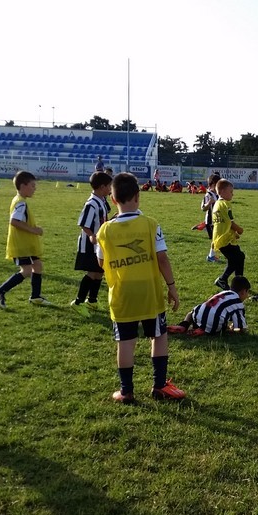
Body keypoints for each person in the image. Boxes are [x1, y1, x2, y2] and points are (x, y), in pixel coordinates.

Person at [97, 172, 185, 403]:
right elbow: (162, 258)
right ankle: (159, 386)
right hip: (149, 292)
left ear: (113, 199)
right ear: (138, 196)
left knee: (125, 342)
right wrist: (172, 287)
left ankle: (126, 391)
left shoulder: (104, 230)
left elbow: (101, 262)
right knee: (159, 336)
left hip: (121, 294)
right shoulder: (150, 224)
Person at [0, 171, 51, 308]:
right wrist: (35, 230)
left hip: (27, 244)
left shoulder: (20, 200)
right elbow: (14, 221)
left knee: (38, 266)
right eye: (32, 185)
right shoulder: (21, 203)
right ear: (23, 186)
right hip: (21, 245)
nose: (35, 188)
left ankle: (36, 296)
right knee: (27, 271)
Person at [70, 170, 112, 317]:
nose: (110, 189)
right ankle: (78, 302)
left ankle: (92, 300)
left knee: (99, 271)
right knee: (92, 273)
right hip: (90, 245)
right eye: (109, 186)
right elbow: (83, 223)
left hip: (99, 243)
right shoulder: (92, 203)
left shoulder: (102, 201)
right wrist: (91, 235)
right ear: (102, 187)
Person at [169, 276, 250, 336]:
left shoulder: (223, 293)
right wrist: (233, 329)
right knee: (225, 328)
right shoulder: (238, 303)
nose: (247, 296)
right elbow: (241, 328)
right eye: (247, 292)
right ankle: (203, 331)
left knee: (190, 313)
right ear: (243, 291)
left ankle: (183, 325)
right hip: (213, 325)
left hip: (197, 315)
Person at [212, 178, 245, 290]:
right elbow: (230, 223)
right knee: (237, 258)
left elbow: (223, 223)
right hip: (225, 239)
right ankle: (227, 280)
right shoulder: (226, 204)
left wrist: (233, 233)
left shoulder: (217, 204)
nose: (232, 194)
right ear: (222, 192)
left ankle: (238, 282)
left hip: (220, 238)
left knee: (237, 258)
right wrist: (239, 230)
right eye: (230, 192)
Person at [200, 173, 222, 263]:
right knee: (215, 239)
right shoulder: (208, 195)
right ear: (213, 184)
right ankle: (211, 256)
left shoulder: (217, 194)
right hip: (210, 221)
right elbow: (203, 208)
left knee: (216, 238)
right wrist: (209, 203)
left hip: (217, 220)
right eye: (218, 184)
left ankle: (211, 255)